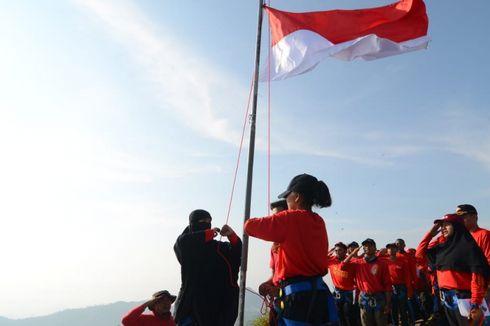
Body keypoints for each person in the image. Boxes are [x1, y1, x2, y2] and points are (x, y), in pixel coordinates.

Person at [245, 173, 338, 326]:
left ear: (297, 197)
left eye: (288, 196)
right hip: (318, 295)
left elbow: (249, 226)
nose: (286, 200)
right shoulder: (318, 221)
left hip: (297, 300)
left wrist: (276, 218)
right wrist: (273, 282)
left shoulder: (289, 218)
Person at [415, 213, 490, 326]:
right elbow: (419, 255)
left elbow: (477, 277)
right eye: (442, 226)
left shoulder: (469, 247)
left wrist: (475, 304)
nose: (443, 228)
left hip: (465, 300)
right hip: (446, 301)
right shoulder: (441, 248)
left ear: (457, 226)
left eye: (447, 225)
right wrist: (430, 234)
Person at [173, 209, 242, 326]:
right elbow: (185, 243)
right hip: (194, 303)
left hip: (220, 304)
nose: (207, 223)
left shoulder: (218, 247)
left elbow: (237, 254)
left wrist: (232, 236)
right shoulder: (184, 243)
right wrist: (210, 233)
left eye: (209, 221)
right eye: (202, 220)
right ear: (193, 223)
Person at [343, 239, 391, 326]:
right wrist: (352, 254)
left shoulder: (382, 263)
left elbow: (387, 284)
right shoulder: (358, 263)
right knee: (366, 323)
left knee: (381, 322)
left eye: (370, 245)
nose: (367, 247)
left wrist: (388, 303)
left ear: (375, 247)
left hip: (379, 297)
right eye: (365, 246)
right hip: (364, 297)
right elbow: (343, 266)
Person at [258, 199, 288, 326]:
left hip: (295, 300)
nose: (274, 222)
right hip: (279, 301)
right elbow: (275, 273)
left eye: (278, 217)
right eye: (273, 218)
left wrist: (279, 290)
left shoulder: (295, 243)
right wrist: (266, 284)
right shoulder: (274, 246)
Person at [328, 242, 359, 326]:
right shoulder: (332, 260)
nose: (337, 252)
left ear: (345, 251)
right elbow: (321, 259)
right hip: (338, 291)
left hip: (349, 292)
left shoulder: (353, 261)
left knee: (350, 314)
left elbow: (343, 265)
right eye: (336, 250)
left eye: (340, 250)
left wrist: (352, 254)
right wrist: (330, 251)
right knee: (339, 314)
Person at [382, 243, 411, 326]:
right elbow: (375, 257)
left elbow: (407, 277)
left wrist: (409, 290)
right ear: (386, 250)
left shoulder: (402, 261)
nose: (391, 250)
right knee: (393, 310)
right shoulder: (384, 261)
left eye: (393, 248)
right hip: (389, 289)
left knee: (403, 310)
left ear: (396, 249)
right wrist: (381, 252)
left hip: (401, 288)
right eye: (389, 248)